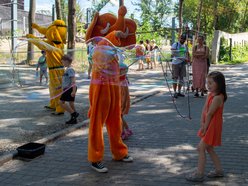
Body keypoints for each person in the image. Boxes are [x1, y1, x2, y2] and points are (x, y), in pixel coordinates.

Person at [186, 71, 227, 182]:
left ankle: (199, 174)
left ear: (219, 84)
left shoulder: (218, 97)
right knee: (208, 148)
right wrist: (202, 122)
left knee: (201, 148)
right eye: (207, 83)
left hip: (212, 126)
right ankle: (219, 170)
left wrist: (205, 126)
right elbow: (205, 110)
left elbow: (210, 114)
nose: (207, 85)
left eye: (210, 83)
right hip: (208, 124)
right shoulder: (210, 95)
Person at [59, 54, 79, 124]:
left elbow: (73, 80)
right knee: (71, 103)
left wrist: (73, 91)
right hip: (68, 88)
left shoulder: (70, 69)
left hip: (69, 89)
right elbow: (66, 81)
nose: (62, 63)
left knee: (61, 102)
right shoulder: (68, 69)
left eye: (63, 62)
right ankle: (74, 119)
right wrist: (60, 87)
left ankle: (74, 114)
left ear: (67, 61)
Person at [171, 34, 190, 98]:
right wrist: (180, 56)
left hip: (182, 63)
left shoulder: (185, 45)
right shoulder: (175, 44)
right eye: (182, 38)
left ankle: (179, 92)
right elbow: (173, 53)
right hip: (176, 63)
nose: (183, 40)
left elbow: (186, 53)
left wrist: (188, 59)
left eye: (184, 39)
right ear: (179, 38)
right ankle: (175, 92)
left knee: (181, 78)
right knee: (175, 78)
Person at [119, 56, 133, 140]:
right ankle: (127, 130)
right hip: (121, 97)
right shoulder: (121, 80)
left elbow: (123, 95)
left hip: (121, 98)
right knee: (120, 116)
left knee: (119, 115)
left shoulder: (122, 82)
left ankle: (122, 132)